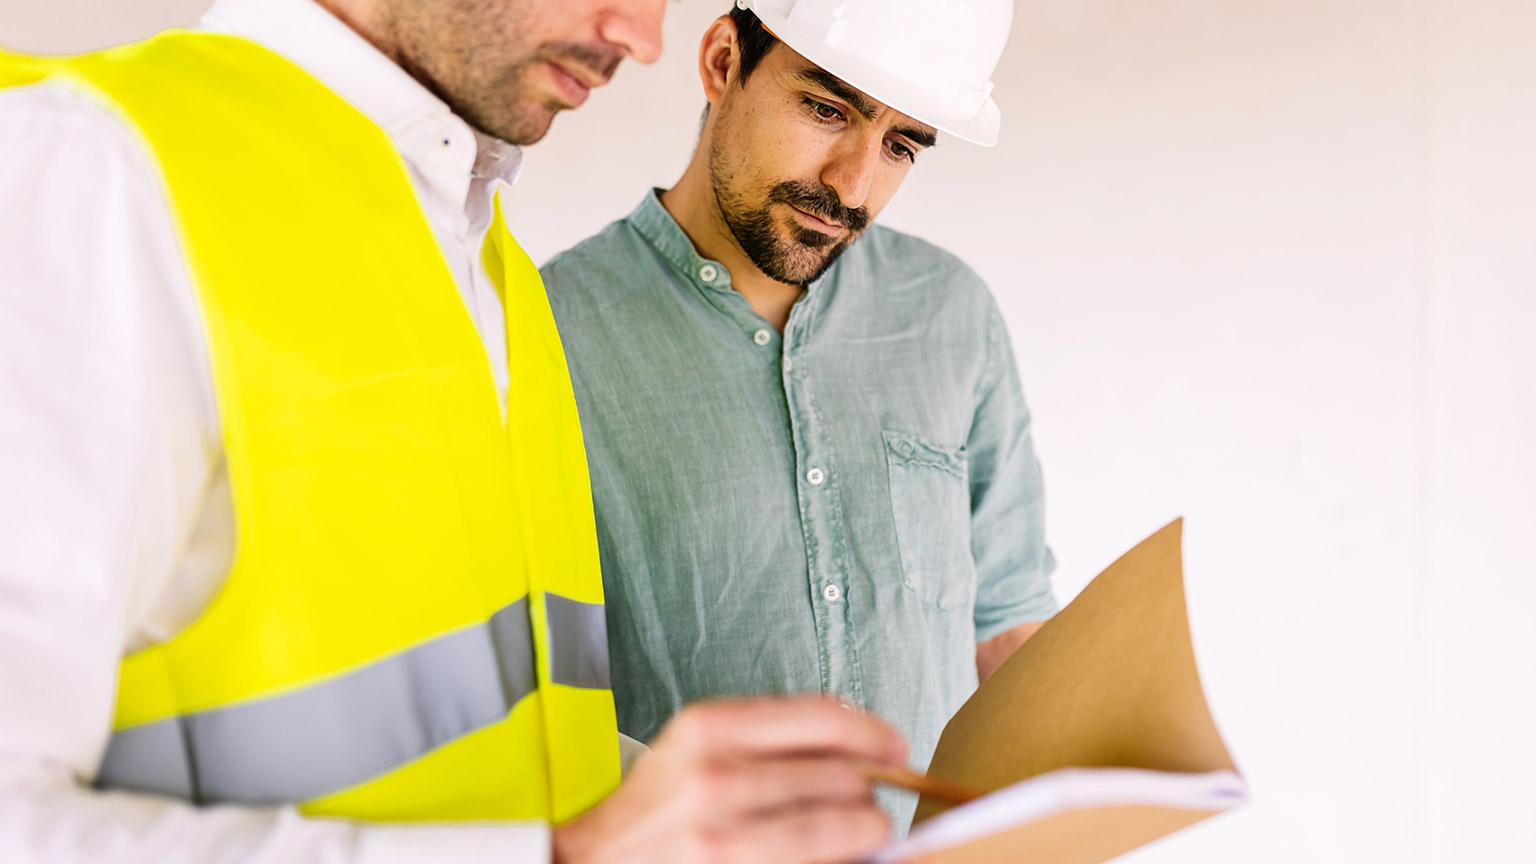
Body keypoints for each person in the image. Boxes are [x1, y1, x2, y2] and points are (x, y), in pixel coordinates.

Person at [0, 0, 909, 862]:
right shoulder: (89, 177)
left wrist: (684, 813)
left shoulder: (488, 258)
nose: (640, 36)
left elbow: (492, 745)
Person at [539, 0, 1057, 829]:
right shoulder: (539, 338)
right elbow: (523, 696)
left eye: (900, 146)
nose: (853, 184)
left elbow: (1007, 623)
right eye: (826, 109)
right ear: (721, 63)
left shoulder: (952, 314)